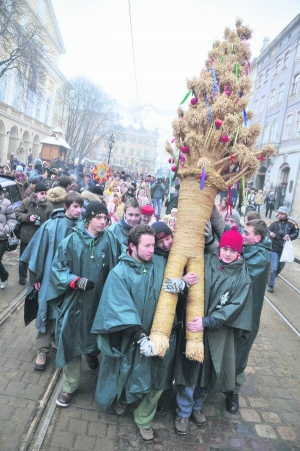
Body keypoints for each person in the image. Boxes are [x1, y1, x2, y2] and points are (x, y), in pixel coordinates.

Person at [92, 224, 176, 443]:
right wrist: (139, 336)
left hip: (159, 334)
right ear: (132, 246)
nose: (152, 250)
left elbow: (171, 291)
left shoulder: (160, 263)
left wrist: (182, 285)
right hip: (131, 336)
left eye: (153, 245)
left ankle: (144, 419)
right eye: (147, 246)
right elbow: (119, 307)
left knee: (158, 376)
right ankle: (122, 399)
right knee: (125, 372)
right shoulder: (119, 273)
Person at [174, 226, 252, 435]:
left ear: (239, 252)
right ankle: (183, 411)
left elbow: (236, 306)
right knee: (190, 368)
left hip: (218, 331)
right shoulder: (207, 261)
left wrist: (208, 321)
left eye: (232, 250)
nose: (227, 253)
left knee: (209, 371)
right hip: (194, 326)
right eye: (224, 248)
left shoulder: (242, 275)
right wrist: (185, 281)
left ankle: (197, 406)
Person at [46, 202, 121, 406]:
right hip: (76, 301)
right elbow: (57, 268)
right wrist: (75, 280)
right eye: (98, 217)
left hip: (101, 301)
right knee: (69, 337)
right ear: (88, 219)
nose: (103, 222)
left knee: (100, 336)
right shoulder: (71, 241)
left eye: (105, 218)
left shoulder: (111, 240)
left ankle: (92, 354)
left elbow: (122, 262)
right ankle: (69, 386)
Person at [20, 192, 85, 370]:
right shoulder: (51, 226)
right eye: (75, 206)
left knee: (65, 312)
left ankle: (56, 340)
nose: (79, 210)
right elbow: (38, 252)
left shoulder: (84, 227)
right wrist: (35, 278)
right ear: (66, 206)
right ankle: (42, 350)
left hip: (72, 280)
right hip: (50, 278)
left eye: (80, 206)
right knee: (47, 312)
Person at [228, 219, 272, 413]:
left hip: (247, 316)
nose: (242, 235)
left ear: (258, 238)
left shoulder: (260, 256)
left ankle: (233, 392)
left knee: (240, 354)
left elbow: (239, 267)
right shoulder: (249, 248)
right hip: (233, 311)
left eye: (247, 233)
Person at [16, 182, 53, 285]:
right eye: (42, 193)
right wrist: (28, 217)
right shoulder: (27, 202)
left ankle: (36, 279)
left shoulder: (49, 206)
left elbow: (52, 221)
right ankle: (22, 276)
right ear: (36, 193)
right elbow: (17, 214)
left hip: (40, 237)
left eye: (45, 193)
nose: (44, 195)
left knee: (38, 260)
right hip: (26, 236)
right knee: (23, 259)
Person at [267, 206, 299, 293]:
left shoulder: (292, 223)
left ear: (286, 214)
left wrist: (290, 236)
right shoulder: (274, 221)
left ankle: (273, 275)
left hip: (284, 249)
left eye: (282, 214)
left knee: (280, 266)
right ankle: (271, 284)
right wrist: (270, 233)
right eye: (279, 213)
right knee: (274, 267)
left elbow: (296, 232)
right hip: (274, 247)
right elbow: (267, 228)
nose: (279, 215)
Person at [0, 184, 17, 289]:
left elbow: (12, 219)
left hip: (2, 237)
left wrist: (5, 229)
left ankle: (4, 276)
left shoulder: (6, 203)